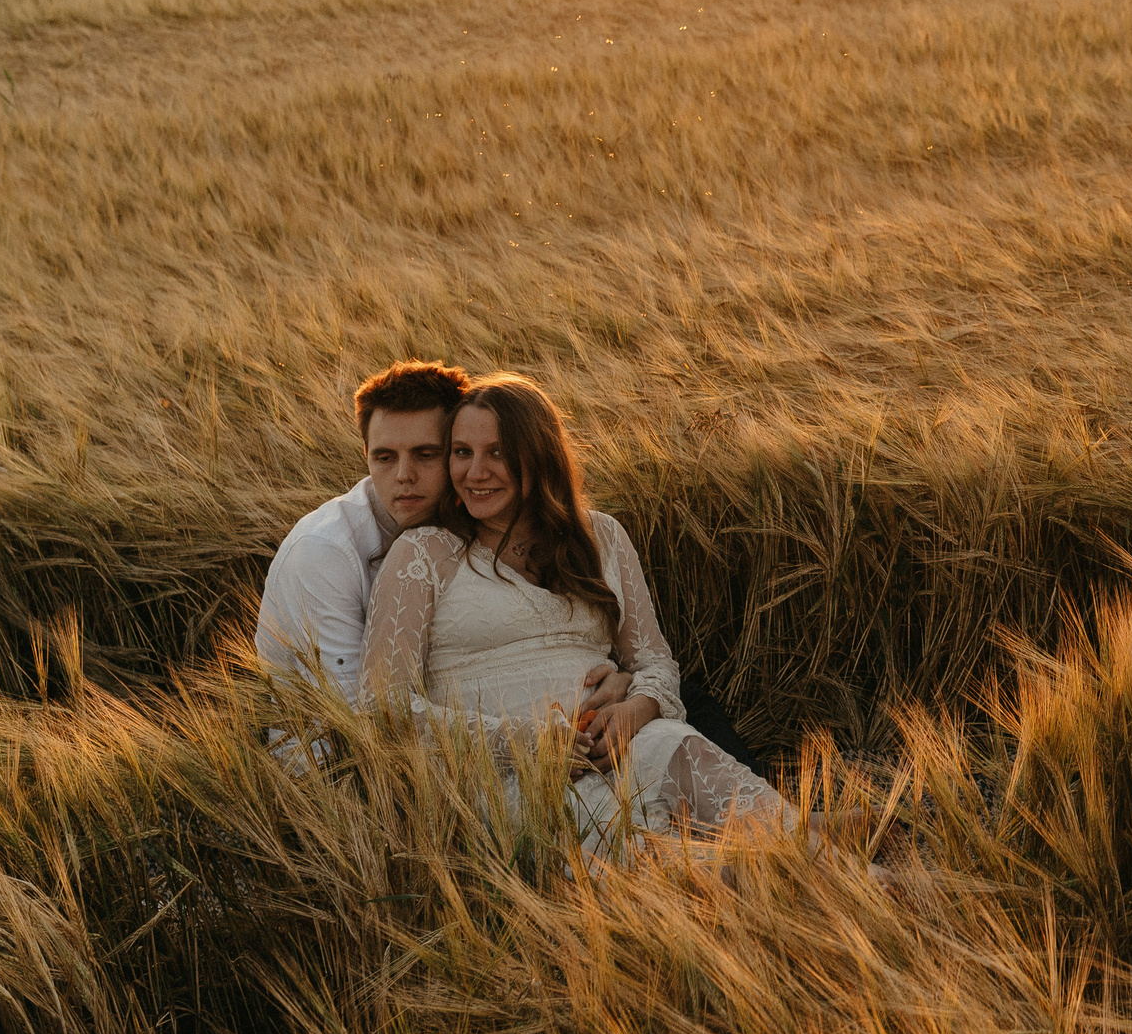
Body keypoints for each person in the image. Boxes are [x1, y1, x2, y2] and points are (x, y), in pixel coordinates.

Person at [362, 372, 793, 856]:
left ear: (540, 455)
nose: (475, 472)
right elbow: (386, 707)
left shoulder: (601, 536)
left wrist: (639, 708)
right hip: (515, 779)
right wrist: (528, 744)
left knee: (772, 823)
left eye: (498, 452)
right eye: (462, 452)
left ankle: (850, 864)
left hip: (633, 745)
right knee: (691, 869)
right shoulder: (422, 554)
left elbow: (655, 661)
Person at [256, 360, 632, 720]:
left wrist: (623, 683)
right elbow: (362, 717)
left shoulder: (472, 523)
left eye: (426, 455)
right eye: (384, 458)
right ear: (365, 455)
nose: (404, 475)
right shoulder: (324, 553)